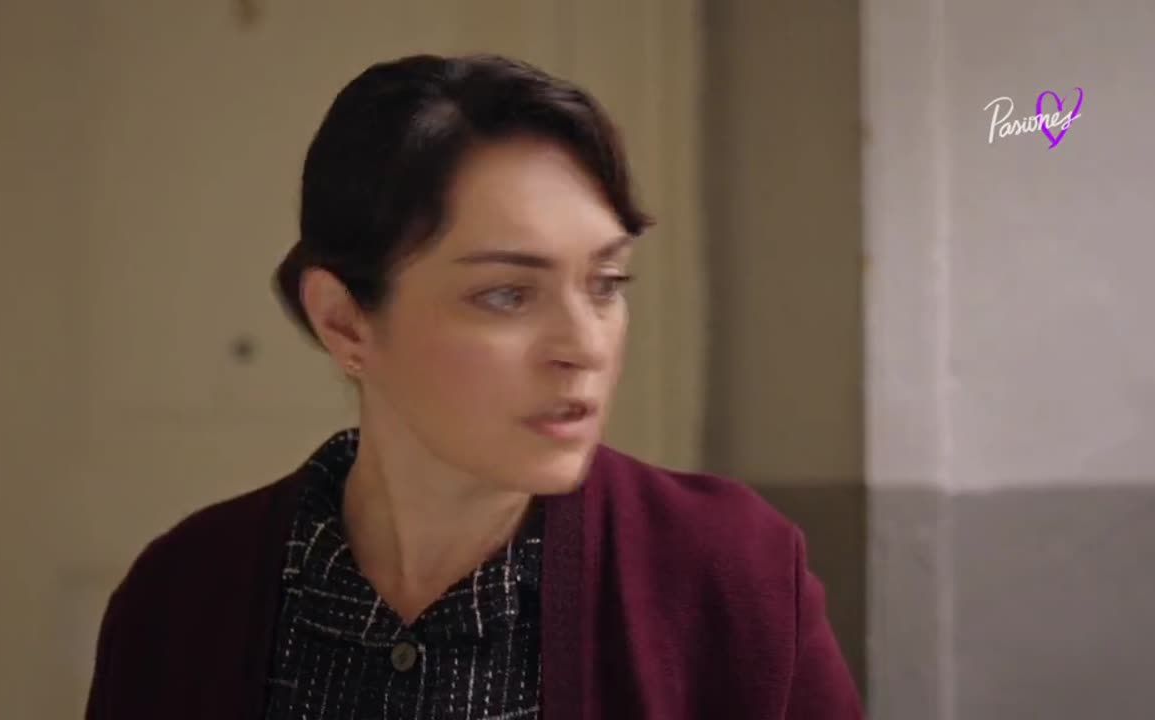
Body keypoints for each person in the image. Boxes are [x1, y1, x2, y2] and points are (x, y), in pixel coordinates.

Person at [84, 53, 863, 719]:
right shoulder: (181, 599)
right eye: (507, 295)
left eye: (606, 283)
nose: (584, 346)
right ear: (345, 322)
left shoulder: (735, 578)